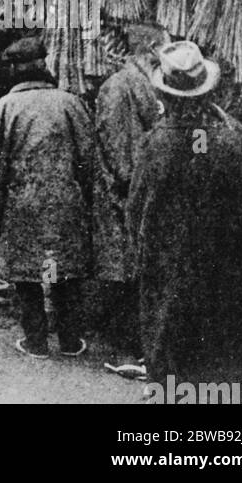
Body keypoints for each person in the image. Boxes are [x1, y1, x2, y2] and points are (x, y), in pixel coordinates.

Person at [127, 40, 242, 397]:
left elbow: (136, 214)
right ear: (208, 91)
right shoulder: (232, 142)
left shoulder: (153, 145)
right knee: (225, 373)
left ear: (167, 95)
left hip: (168, 282)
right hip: (227, 284)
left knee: (174, 373)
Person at [0, 36, 94, 359]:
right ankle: (70, 340)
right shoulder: (70, 103)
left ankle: (36, 340)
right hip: (65, 198)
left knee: (28, 273)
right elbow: (88, 157)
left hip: (23, 201)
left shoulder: (5, 107)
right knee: (63, 270)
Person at [93, 19, 164, 375]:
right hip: (124, 196)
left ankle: (137, 348)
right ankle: (122, 350)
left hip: (139, 194)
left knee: (137, 273)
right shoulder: (118, 87)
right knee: (123, 275)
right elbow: (118, 152)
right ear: (151, 51)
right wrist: (135, 186)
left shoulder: (146, 86)